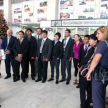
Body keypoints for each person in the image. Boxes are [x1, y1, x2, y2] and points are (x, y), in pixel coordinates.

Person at [86, 26, 108, 108]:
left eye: (98, 33)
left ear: (104, 33)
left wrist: (89, 72)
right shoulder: (106, 43)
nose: (97, 35)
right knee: (101, 96)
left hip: (99, 75)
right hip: (105, 76)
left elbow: (96, 60)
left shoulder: (102, 43)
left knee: (97, 99)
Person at [78, 34, 98, 108]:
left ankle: (83, 105)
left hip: (87, 71)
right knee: (89, 89)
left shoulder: (93, 49)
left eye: (90, 39)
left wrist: (80, 65)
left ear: (95, 40)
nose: (89, 40)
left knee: (82, 90)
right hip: (92, 71)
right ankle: (87, 104)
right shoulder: (97, 48)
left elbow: (86, 59)